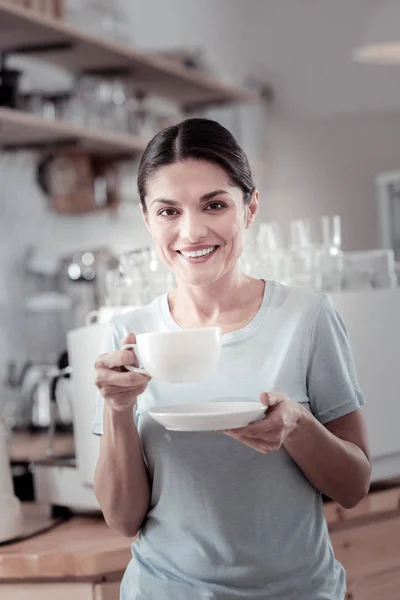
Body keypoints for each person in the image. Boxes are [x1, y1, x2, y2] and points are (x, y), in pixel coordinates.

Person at [92, 118, 371, 600]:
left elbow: (353, 486)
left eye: (214, 204)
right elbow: (122, 520)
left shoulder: (306, 318)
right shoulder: (129, 336)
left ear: (250, 207)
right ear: (146, 219)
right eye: (168, 211)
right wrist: (117, 410)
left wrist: (298, 426)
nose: (191, 231)